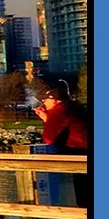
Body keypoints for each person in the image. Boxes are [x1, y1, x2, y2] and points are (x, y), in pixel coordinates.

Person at [34, 79, 90, 207]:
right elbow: (68, 125)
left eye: (46, 100)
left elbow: (49, 138)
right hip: (84, 150)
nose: (43, 102)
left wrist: (48, 119)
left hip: (78, 152)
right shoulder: (75, 107)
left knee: (83, 192)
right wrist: (46, 118)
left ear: (54, 100)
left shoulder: (58, 110)